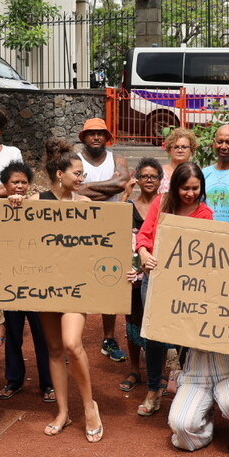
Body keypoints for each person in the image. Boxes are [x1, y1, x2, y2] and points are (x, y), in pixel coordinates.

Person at [35, 140, 104, 442]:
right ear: (60, 174)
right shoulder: (37, 202)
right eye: (77, 173)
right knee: (53, 350)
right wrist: (14, 204)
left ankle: (89, 406)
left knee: (72, 343)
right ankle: (63, 412)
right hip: (44, 286)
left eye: (83, 174)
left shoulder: (84, 206)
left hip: (76, 287)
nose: (82, 179)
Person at [134, 161, 213, 418]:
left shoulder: (205, 214)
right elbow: (144, 236)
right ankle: (154, 388)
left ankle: (187, 386)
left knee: (187, 335)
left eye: (195, 188)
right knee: (154, 335)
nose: (190, 193)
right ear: (176, 186)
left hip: (188, 285)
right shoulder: (161, 203)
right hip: (155, 279)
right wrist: (144, 254)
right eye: (185, 188)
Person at [0, 161, 55, 403]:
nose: (19, 186)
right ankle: (13, 380)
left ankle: (49, 384)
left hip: (37, 283)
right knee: (13, 334)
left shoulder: (39, 206)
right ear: (5, 185)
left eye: (23, 182)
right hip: (10, 283)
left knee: (42, 335)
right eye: (14, 182)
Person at [75, 117, 131, 362]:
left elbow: (122, 183)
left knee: (110, 281)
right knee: (76, 281)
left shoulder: (117, 159)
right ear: (84, 137)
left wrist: (87, 188)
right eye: (91, 133)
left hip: (110, 229)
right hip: (79, 228)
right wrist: (109, 186)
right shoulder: (75, 160)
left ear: (107, 137)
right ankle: (72, 340)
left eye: (100, 133)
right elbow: (71, 188)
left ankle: (108, 338)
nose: (96, 137)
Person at [117, 158, 162, 393]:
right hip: (133, 273)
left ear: (160, 180)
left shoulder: (165, 207)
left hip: (159, 271)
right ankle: (135, 369)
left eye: (153, 176)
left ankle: (158, 372)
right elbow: (113, 224)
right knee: (133, 320)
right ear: (137, 178)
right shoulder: (130, 205)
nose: (149, 180)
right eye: (144, 176)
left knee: (157, 321)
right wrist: (125, 194)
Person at [158, 127, 198, 193]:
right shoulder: (160, 173)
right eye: (176, 147)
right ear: (169, 150)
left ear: (191, 150)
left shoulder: (195, 172)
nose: (180, 150)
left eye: (184, 147)